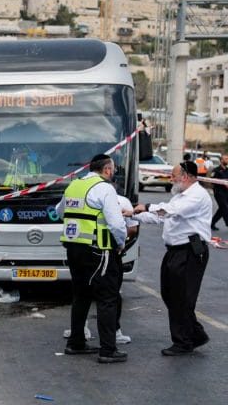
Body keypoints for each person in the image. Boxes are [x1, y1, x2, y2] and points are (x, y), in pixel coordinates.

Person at [130, 160, 212, 356]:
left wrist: (146, 206)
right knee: (169, 294)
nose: (171, 178)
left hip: (190, 251)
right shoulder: (180, 196)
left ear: (184, 176)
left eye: (174, 175)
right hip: (175, 251)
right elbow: (160, 216)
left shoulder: (197, 196)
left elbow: (169, 211)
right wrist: (133, 214)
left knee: (182, 298)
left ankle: (183, 342)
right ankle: (196, 334)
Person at [58, 153, 128, 364]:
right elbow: (116, 224)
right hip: (99, 249)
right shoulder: (105, 187)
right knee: (107, 297)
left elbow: (60, 212)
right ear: (107, 170)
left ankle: (76, 343)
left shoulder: (73, 186)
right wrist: (121, 243)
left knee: (81, 295)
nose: (113, 173)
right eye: (113, 169)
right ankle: (108, 350)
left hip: (74, 248)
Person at [210, 155, 228, 231]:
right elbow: (212, 181)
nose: (227, 160)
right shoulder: (216, 170)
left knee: (221, 209)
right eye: (226, 159)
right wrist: (222, 181)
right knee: (224, 207)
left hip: (226, 192)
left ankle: (212, 223)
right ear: (221, 160)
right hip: (219, 192)